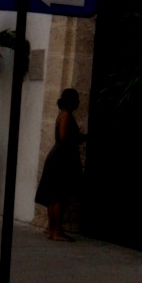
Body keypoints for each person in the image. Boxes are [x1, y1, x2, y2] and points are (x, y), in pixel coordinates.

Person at [35, 88, 84, 241]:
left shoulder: (62, 114)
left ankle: (52, 230)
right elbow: (63, 136)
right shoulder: (66, 115)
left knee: (53, 196)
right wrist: (79, 137)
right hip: (62, 158)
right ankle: (57, 231)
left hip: (57, 157)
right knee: (58, 195)